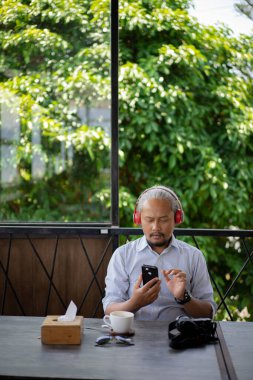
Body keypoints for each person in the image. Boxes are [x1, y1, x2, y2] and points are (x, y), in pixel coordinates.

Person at [102, 185, 216, 322]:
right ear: (138, 220)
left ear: (177, 218)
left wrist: (184, 297)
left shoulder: (194, 256)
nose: (156, 227)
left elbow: (208, 313)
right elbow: (109, 309)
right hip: (134, 338)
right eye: (149, 220)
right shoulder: (122, 255)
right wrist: (135, 303)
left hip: (180, 338)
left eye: (163, 220)